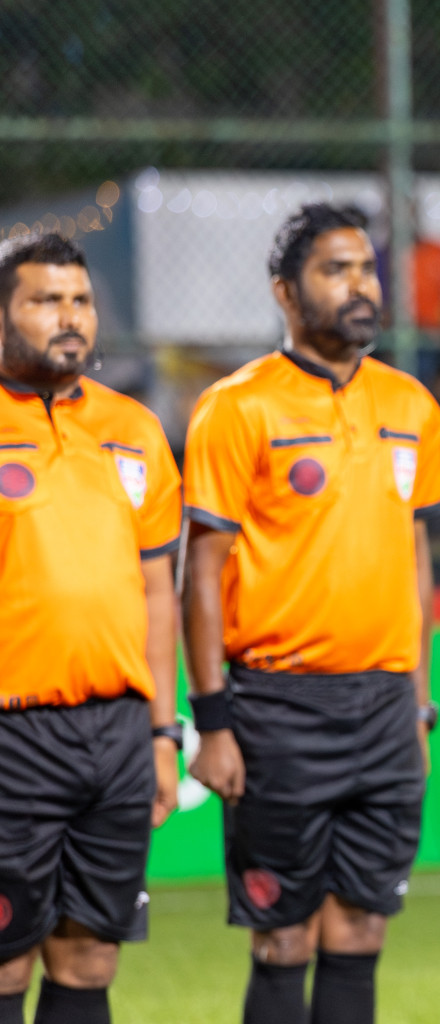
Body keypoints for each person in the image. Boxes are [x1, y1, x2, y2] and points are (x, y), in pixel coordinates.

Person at [181, 204, 440, 1024]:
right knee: (283, 937)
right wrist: (215, 719)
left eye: (366, 267)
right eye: (336, 269)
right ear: (286, 294)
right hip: (277, 710)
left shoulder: (412, 406)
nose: (361, 284)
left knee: (361, 929)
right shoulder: (237, 406)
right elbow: (202, 570)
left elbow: (415, 559)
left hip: (384, 707)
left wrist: (417, 703)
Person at [0, 234, 182, 1024]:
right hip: (12, 731)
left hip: (116, 735)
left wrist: (163, 733)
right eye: (45, 300)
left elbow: (157, 588)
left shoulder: (135, 428)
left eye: (80, 300)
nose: (68, 317)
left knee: (89, 957)